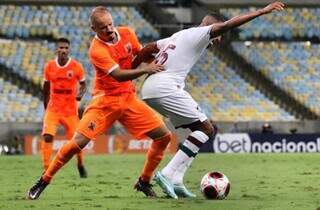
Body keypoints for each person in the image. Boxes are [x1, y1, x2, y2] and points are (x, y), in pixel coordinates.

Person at [133, 2, 285, 198]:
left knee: (201, 130)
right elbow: (229, 24)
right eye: (219, 34)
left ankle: (177, 178)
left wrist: (131, 70)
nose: (219, 39)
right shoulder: (201, 33)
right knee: (206, 129)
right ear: (210, 26)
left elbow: (147, 49)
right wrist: (261, 11)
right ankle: (168, 173)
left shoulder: (177, 36)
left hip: (151, 88)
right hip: (165, 87)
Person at [27, 6, 173, 200]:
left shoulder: (127, 33)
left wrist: (157, 54)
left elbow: (137, 57)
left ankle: (144, 181)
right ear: (93, 29)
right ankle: (44, 180)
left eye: (110, 24)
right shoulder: (96, 50)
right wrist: (148, 70)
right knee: (77, 143)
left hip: (128, 98)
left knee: (164, 137)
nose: (109, 29)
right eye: (103, 27)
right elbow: (119, 75)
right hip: (105, 101)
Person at [41, 37, 87, 178]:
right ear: (57, 49)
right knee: (47, 136)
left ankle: (80, 164)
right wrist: (46, 107)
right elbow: (46, 88)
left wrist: (80, 94)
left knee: (76, 141)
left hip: (70, 111)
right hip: (53, 109)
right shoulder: (49, 66)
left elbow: (84, 85)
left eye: (66, 48)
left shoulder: (76, 66)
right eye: (61, 48)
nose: (63, 50)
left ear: (69, 50)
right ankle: (47, 169)